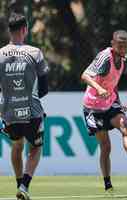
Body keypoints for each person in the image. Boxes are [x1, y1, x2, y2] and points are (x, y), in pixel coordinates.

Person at [81, 30, 127, 191]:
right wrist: (99, 89)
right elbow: (85, 76)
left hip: (110, 102)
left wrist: (119, 104)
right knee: (106, 147)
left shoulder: (122, 61)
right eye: (119, 46)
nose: (122, 49)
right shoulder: (104, 58)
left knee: (126, 127)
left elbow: (113, 85)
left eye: (125, 46)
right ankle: (108, 184)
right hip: (93, 107)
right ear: (112, 44)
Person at [0, 12, 49, 200]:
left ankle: (18, 183)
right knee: (36, 147)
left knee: (17, 145)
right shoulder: (34, 52)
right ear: (24, 30)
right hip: (31, 110)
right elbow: (44, 88)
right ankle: (24, 186)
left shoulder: (0, 54)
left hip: (9, 111)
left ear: (9, 30)